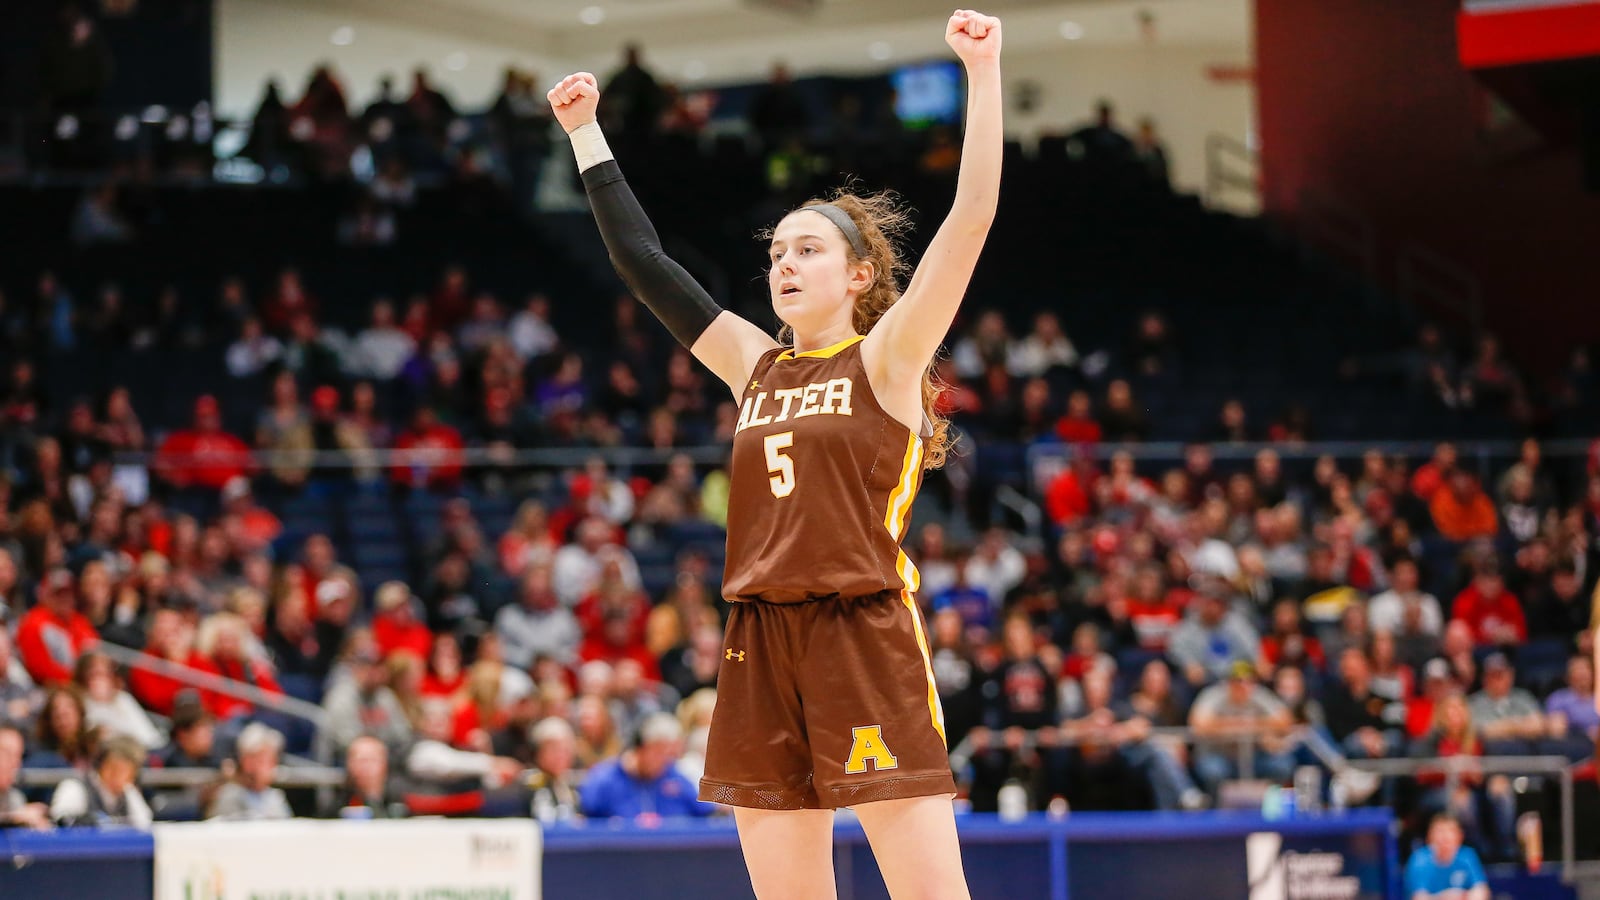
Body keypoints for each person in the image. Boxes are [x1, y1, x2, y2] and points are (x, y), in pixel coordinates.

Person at [547, 11, 1002, 896]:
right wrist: (585, 134)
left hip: (862, 630)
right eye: (777, 252)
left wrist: (982, 74)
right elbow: (647, 263)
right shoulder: (751, 363)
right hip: (758, 635)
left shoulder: (889, 356)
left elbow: (972, 215)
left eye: (808, 249)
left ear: (859, 274)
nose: (784, 265)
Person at [578, 712, 713, 820]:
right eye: (659, 752)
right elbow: (585, 816)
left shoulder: (672, 776)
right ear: (641, 748)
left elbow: (705, 811)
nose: (664, 760)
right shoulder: (604, 780)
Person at [49, 735, 153, 829]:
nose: (120, 777)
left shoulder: (128, 792)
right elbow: (61, 822)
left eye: (127, 773)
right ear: (101, 765)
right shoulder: (75, 787)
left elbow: (144, 823)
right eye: (114, 769)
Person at [207, 723, 293, 820]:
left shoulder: (275, 797)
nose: (273, 766)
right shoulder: (229, 797)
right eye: (265, 761)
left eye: (273, 760)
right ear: (247, 762)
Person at [1405, 812, 1489, 900]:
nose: (1445, 836)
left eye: (1450, 831)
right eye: (1440, 831)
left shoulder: (1467, 856)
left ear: (1460, 836)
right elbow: (1419, 897)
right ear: (1429, 836)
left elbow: (1481, 890)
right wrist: (1446, 897)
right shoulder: (1419, 860)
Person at [0, 723, 51, 829]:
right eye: (8, 754)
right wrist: (14, 818)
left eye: (18, 756)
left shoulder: (14, 798)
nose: (16, 764)